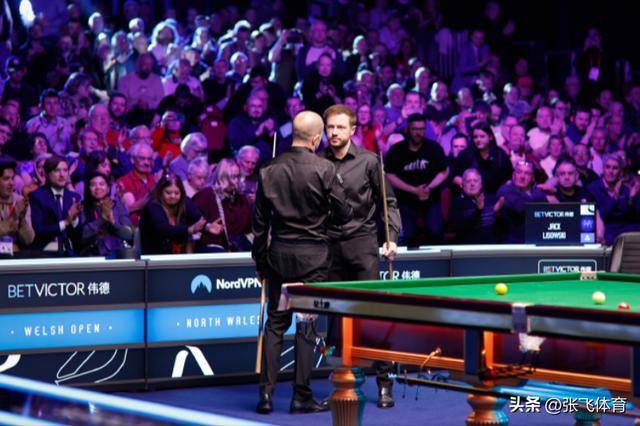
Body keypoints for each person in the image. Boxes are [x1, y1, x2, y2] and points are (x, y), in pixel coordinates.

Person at [252, 111, 352, 415]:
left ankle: (265, 395)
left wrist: (260, 262)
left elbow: (259, 225)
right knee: (306, 325)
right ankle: (301, 397)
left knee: (275, 324)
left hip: (279, 257)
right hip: (313, 259)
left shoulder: (269, 169)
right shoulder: (325, 168)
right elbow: (344, 213)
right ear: (316, 138)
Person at [320, 104, 400, 408]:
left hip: (362, 245)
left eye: (340, 127)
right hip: (330, 248)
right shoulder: (318, 162)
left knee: (373, 316)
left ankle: (384, 383)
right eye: (330, 127)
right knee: (335, 321)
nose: (334, 132)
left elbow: (388, 203)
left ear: (353, 130)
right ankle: (341, 386)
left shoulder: (369, 161)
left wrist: (390, 237)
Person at [386, 113, 448, 246]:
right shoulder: (397, 150)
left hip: (430, 198)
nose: (418, 133)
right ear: (408, 129)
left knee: (436, 232)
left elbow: (444, 172)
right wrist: (414, 190)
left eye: (421, 129)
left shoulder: (434, 148)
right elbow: (389, 175)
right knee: (408, 236)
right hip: (405, 200)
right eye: (415, 129)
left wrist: (428, 188)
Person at [192, 158, 252, 252]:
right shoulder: (205, 196)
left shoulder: (241, 199)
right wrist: (207, 227)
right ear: (222, 177)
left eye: (238, 176)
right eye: (233, 177)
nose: (236, 181)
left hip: (237, 248)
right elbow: (192, 222)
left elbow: (249, 227)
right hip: (213, 248)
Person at [139, 173, 207, 255]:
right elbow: (164, 230)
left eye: (177, 193)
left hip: (179, 254)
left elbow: (198, 217)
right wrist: (190, 230)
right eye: (168, 193)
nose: (173, 196)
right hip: (155, 255)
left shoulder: (185, 201)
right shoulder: (153, 206)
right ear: (160, 192)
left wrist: (208, 226)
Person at [28, 156, 82, 255]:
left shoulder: (74, 198)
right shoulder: (37, 196)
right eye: (57, 170)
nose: (62, 175)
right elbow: (38, 230)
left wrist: (74, 220)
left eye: (65, 170)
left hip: (71, 252)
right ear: (46, 173)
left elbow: (80, 234)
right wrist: (65, 222)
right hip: (45, 251)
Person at [80, 172, 133, 256]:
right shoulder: (82, 208)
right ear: (88, 189)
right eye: (93, 185)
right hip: (91, 254)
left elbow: (128, 234)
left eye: (101, 184)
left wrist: (112, 221)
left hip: (117, 252)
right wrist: (102, 218)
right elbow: (82, 235)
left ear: (108, 188)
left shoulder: (118, 206)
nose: (98, 187)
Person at [0, 158, 35, 257]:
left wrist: (22, 219)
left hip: (16, 255)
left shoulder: (20, 201)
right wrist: (14, 216)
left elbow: (29, 240)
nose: (11, 183)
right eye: (6, 179)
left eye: (12, 178)